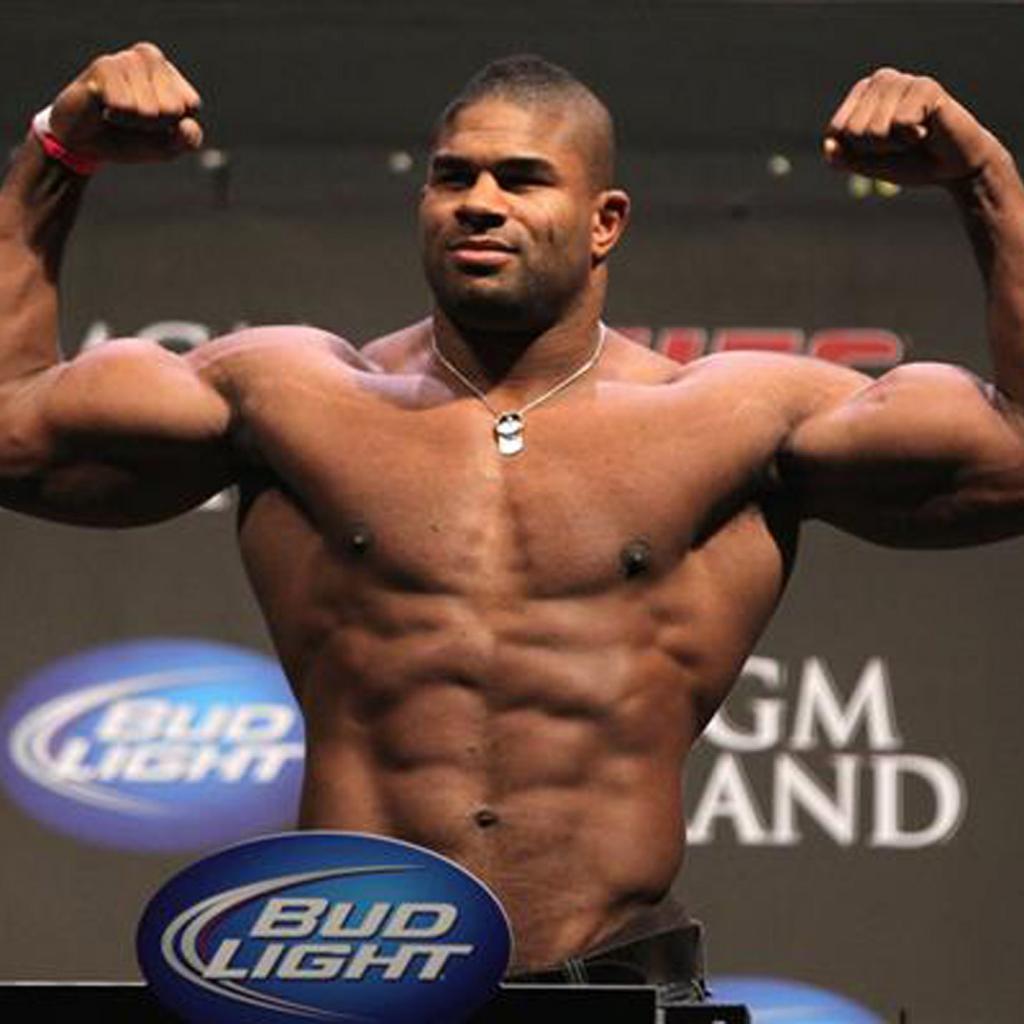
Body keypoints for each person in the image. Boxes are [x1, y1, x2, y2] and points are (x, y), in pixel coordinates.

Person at [3, 42, 1024, 1003]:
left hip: (617, 975)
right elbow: (13, 430)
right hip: (353, 976)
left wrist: (985, 179)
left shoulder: (733, 417)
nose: (479, 203)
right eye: (453, 177)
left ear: (605, 222)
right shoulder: (292, 396)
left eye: (523, 179)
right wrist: (57, 152)